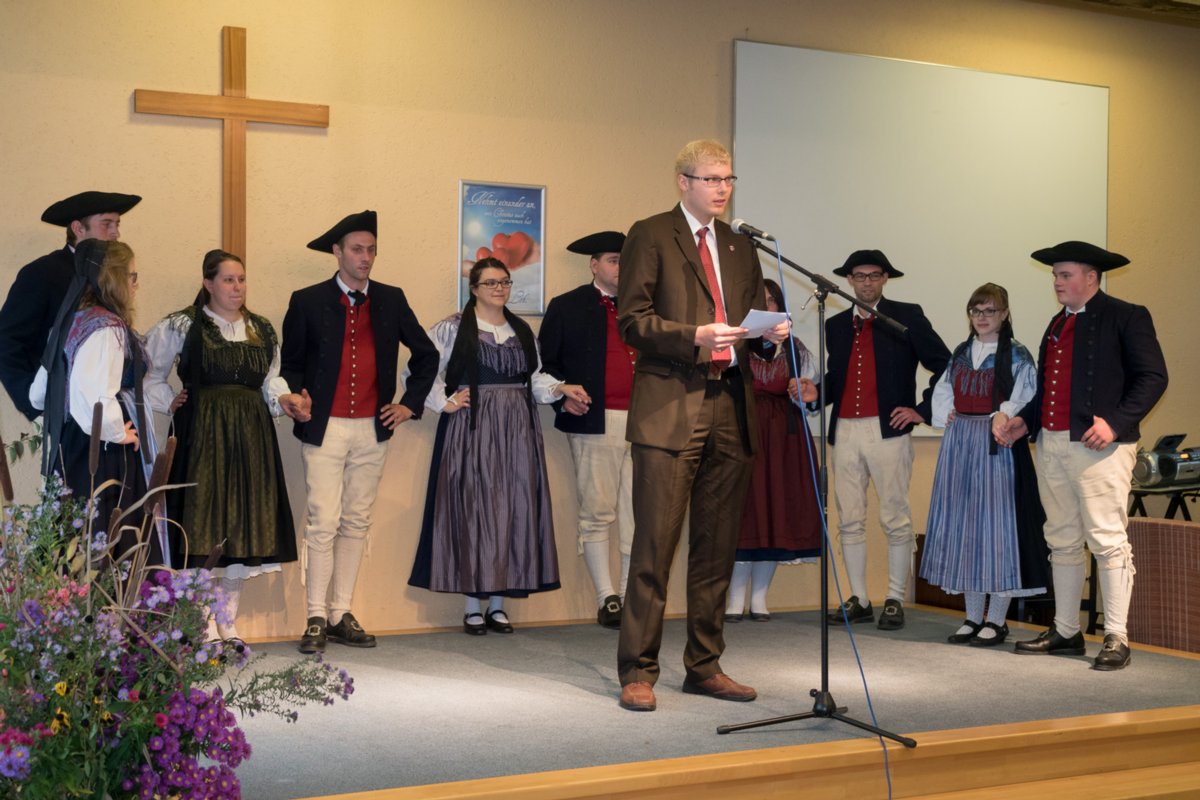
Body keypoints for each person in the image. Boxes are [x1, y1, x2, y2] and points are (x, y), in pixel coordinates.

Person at [615, 139, 800, 713]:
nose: (722, 188)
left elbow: (742, 321)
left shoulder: (742, 245)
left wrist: (767, 335)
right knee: (654, 547)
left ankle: (705, 664)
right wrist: (692, 336)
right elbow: (633, 321)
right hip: (671, 405)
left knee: (716, 549)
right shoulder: (650, 233)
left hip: (731, 403)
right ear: (683, 181)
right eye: (711, 178)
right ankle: (639, 670)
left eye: (728, 179)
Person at [1002, 241, 1167, 670]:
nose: (1057, 282)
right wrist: (1026, 420)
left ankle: (1116, 637)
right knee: (1060, 539)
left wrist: (1113, 422)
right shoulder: (1057, 323)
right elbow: (1049, 389)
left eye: (1065, 275)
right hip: (1053, 443)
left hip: (1102, 446)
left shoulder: (1127, 315)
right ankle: (1066, 631)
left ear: (1091, 278)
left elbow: (1153, 377)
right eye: (1056, 275)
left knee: (1108, 541)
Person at [281, 210, 439, 654]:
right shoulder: (307, 299)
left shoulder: (391, 298)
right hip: (324, 427)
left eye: (371, 249)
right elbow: (291, 363)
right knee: (323, 521)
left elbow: (426, 355)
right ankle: (315, 614)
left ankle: (340, 613)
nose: (365, 257)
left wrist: (408, 404)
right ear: (337, 252)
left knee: (356, 520)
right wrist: (295, 398)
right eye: (357, 249)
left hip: (372, 428)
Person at [409, 258, 588, 634]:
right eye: (490, 283)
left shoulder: (522, 330)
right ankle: (473, 606)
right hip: (472, 431)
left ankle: (498, 606)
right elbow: (421, 369)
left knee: (512, 509)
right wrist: (444, 402)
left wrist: (560, 388)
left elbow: (535, 379)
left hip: (518, 431)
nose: (499, 289)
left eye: (504, 282)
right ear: (473, 288)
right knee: (474, 510)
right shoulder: (453, 328)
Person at [145, 249, 310, 643]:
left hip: (250, 434)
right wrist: (167, 398)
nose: (237, 287)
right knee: (202, 523)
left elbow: (271, 380)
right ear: (208, 283)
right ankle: (202, 625)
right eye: (228, 280)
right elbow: (147, 371)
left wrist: (285, 400)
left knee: (242, 524)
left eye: (241, 279)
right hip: (202, 431)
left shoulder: (262, 329)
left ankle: (228, 621)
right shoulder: (183, 325)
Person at [822, 250, 950, 631]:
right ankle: (859, 598)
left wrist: (921, 410)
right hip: (845, 429)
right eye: (859, 276)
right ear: (848, 280)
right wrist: (815, 391)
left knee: (895, 516)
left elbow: (944, 362)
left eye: (874, 275)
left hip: (888, 431)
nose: (866, 282)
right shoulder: (835, 325)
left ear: (885, 279)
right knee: (850, 519)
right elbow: (837, 377)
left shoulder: (906, 315)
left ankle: (894, 597)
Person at [919, 283, 1047, 647]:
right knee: (966, 528)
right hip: (961, 443)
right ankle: (973, 616)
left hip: (998, 443)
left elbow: (1026, 396)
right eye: (976, 311)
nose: (982, 318)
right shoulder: (961, 352)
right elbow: (943, 391)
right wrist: (948, 414)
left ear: (1004, 314)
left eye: (990, 311)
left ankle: (997, 618)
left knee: (997, 530)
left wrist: (1002, 414)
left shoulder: (1017, 355)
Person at [539, 230, 636, 629]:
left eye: (624, 260)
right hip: (595, 421)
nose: (620, 267)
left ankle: (633, 598)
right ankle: (606, 597)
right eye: (613, 259)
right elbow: (547, 365)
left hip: (645, 421)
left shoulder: (645, 305)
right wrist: (564, 395)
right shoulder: (567, 306)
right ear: (594, 265)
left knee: (639, 514)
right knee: (597, 511)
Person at [30, 240, 153, 554]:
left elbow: (38, 394)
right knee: (103, 536)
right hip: (99, 450)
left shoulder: (73, 319)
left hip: (72, 443)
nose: (135, 284)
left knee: (75, 537)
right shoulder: (105, 327)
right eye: (132, 276)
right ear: (114, 279)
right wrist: (117, 431)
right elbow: (95, 396)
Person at [725, 279, 821, 623]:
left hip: (784, 438)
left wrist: (804, 393)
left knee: (775, 512)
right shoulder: (735, 346)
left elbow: (808, 397)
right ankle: (734, 598)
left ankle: (760, 599)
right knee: (746, 514)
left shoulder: (795, 350)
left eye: (771, 302)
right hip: (744, 433)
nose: (766, 308)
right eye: (758, 301)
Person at [1, 191, 140, 419]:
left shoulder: (115, 274)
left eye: (117, 224)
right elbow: (7, 341)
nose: (116, 232)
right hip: (61, 411)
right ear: (78, 228)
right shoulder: (42, 273)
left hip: (108, 410)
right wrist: (34, 404)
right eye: (107, 224)